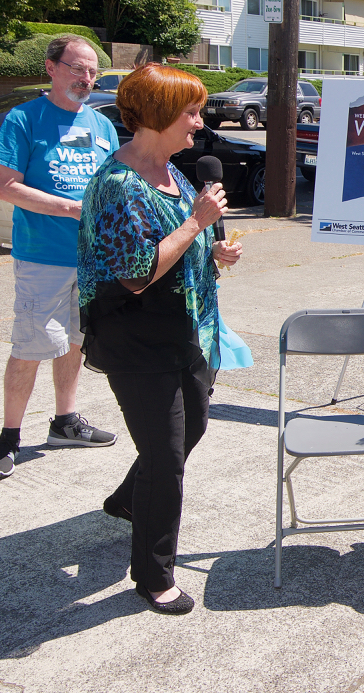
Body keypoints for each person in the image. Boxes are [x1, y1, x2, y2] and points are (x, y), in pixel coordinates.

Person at [77, 64, 243, 614]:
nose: (199, 122)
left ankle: (129, 499)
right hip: (136, 335)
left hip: (185, 328)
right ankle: (152, 574)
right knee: (167, 457)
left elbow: (176, 247)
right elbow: (137, 271)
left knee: (190, 427)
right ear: (155, 115)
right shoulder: (119, 184)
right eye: (190, 112)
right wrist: (197, 224)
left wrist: (211, 251)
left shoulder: (171, 171)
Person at [0, 35, 120, 480]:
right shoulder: (25, 119)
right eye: (78, 68)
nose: (87, 78)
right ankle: (8, 437)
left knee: (75, 342)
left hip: (92, 258)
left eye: (93, 71)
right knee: (30, 347)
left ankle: (65, 421)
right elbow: (6, 187)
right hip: (43, 255)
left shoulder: (102, 126)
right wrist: (70, 208)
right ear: (52, 68)